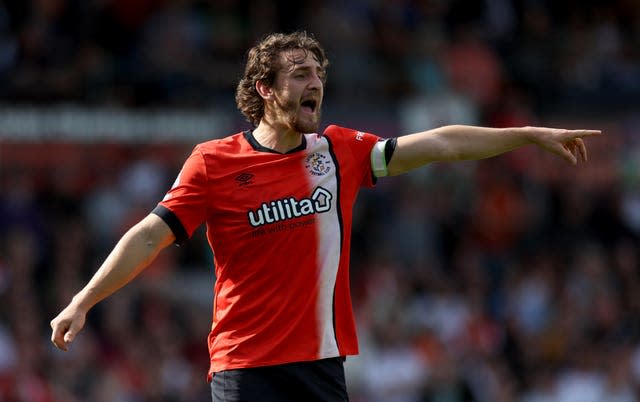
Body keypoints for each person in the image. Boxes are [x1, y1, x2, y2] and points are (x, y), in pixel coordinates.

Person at [50, 31, 601, 401]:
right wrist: (83, 301)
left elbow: (440, 144)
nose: (314, 82)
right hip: (245, 365)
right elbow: (150, 237)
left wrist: (527, 134)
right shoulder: (214, 163)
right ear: (265, 90)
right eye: (298, 74)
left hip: (320, 365)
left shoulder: (338, 152)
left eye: (317, 72)